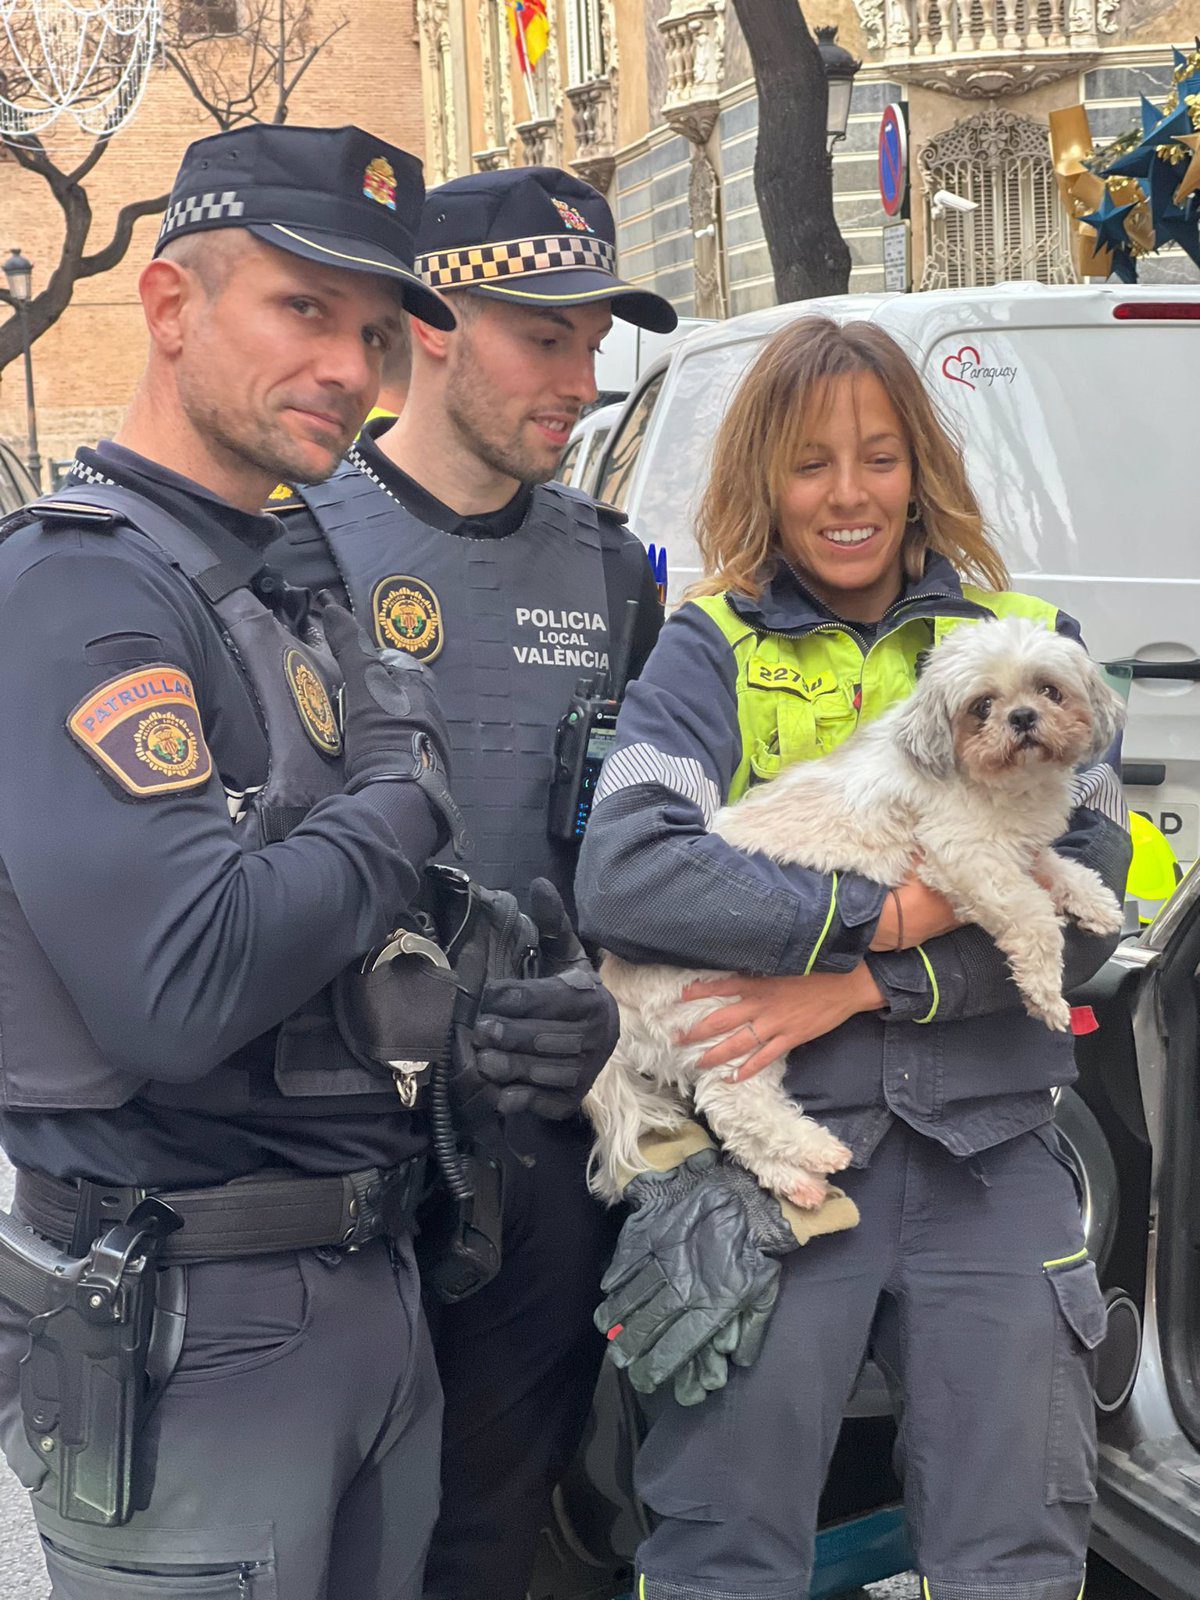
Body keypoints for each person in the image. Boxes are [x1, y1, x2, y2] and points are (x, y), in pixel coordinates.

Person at [0, 124, 616, 1600]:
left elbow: (360, 966)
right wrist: (403, 791)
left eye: (369, 328)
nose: (347, 365)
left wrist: (545, 1012)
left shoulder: (261, 577)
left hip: (366, 1279)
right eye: (300, 310)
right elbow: (185, 980)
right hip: (197, 1318)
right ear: (168, 309)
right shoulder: (87, 583)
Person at [575, 317, 1131, 1600]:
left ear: (920, 465)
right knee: (724, 1551)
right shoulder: (708, 647)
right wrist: (887, 918)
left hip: (992, 1157)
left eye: (878, 456)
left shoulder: (1034, 644)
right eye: (810, 461)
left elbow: (1092, 917)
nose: (847, 494)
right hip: (776, 1171)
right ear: (764, 478)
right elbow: (630, 873)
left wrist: (859, 981)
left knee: (1015, 1558)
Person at [266, 164, 677, 1600]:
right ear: (432, 322)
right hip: (339, 1144)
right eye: (543, 335)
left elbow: (646, 859)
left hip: (546, 1135)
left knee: (500, 1539)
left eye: (595, 341)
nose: (582, 378)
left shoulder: (621, 575)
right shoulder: (293, 540)